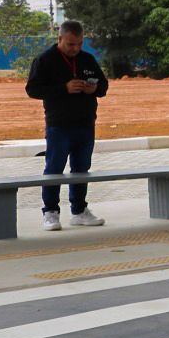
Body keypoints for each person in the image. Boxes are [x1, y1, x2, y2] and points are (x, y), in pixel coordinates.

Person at [25, 20, 109, 230]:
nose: (75, 49)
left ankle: (79, 210)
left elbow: (104, 85)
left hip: (85, 124)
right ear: (60, 39)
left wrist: (94, 89)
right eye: (71, 44)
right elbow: (32, 89)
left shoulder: (87, 59)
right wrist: (64, 88)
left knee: (81, 169)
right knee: (54, 168)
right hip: (59, 125)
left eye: (80, 44)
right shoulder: (45, 60)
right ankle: (50, 212)